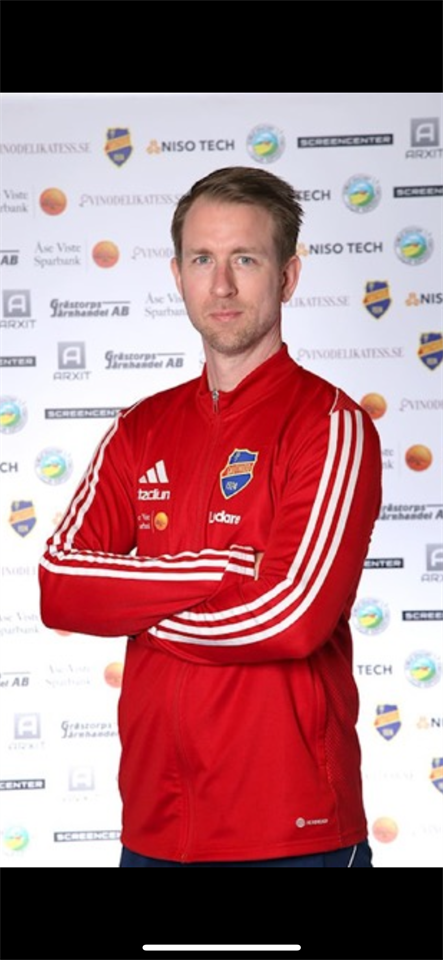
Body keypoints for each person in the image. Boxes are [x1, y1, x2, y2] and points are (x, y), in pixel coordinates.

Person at [39, 166, 382, 868]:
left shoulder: (329, 424)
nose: (220, 285)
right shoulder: (140, 429)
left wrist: (138, 608)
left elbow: (289, 618)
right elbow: (60, 585)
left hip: (291, 833)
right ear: (177, 275)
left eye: (244, 260)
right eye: (202, 259)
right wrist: (222, 568)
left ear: (287, 276)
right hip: (154, 831)